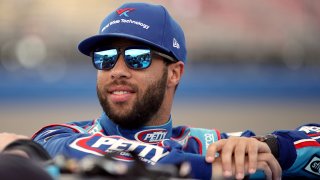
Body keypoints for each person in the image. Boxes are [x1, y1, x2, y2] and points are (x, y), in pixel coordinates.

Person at [29, 2, 320, 180]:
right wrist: (209, 170)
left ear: (174, 73)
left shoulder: (208, 146)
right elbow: (80, 155)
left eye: (137, 57)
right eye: (105, 57)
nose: (116, 70)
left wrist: (271, 147)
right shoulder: (59, 135)